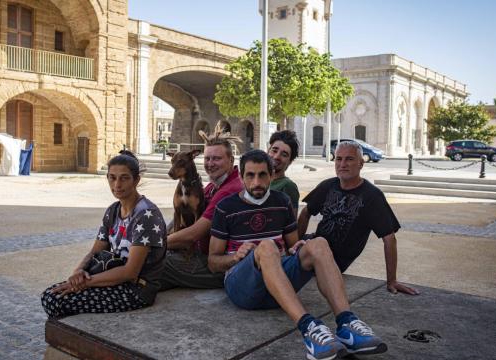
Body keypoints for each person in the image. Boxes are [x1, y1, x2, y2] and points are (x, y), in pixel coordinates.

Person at [209, 149, 387, 360]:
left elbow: (293, 245)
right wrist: (236, 257)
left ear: (271, 174)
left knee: (318, 243)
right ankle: (309, 328)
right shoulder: (226, 207)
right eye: (250, 175)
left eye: (262, 175)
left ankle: (346, 323)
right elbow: (213, 262)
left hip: (278, 285)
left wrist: (297, 249)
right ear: (241, 177)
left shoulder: (281, 201)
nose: (257, 182)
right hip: (243, 287)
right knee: (266, 247)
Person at [41, 151, 167, 317]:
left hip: (135, 289)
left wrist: (86, 283)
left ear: (136, 180)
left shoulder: (146, 215)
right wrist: (78, 272)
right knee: (51, 295)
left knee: (56, 301)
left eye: (124, 178)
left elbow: (130, 272)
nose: (117, 185)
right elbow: (95, 251)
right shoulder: (113, 211)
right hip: (110, 278)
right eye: (112, 178)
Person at [298, 140, 419, 295]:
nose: (343, 164)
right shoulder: (328, 186)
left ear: (361, 164)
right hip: (311, 246)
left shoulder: (372, 196)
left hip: (332, 261)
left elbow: (389, 239)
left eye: (349, 159)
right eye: (339, 159)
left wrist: (392, 280)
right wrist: (294, 241)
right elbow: (305, 212)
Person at [159, 126, 243, 290]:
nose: (210, 164)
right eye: (207, 158)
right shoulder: (213, 186)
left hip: (214, 264)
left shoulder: (229, 190)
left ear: (231, 160)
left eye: (216, 159)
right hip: (197, 253)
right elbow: (182, 214)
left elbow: (194, 234)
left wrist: (154, 244)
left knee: (153, 262)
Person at [267, 130, 300, 211]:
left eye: (284, 154)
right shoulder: (257, 179)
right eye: (274, 150)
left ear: (290, 162)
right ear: (268, 150)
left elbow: (292, 221)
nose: (276, 157)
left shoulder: (288, 186)